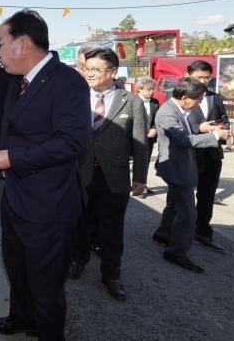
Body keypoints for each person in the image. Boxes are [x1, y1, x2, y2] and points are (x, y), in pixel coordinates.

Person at [0, 9, 90, 340]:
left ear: (23, 44)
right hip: (15, 199)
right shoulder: (18, 79)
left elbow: (73, 142)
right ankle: (21, 318)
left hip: (47, 205)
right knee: (18, 269)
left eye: (2, 43)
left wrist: (13, 158)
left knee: (45, 285)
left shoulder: (67, 82)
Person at [69, 48, 148, 301]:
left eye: (95, 69)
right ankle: (77, 261)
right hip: (80, 174)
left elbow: (140, 143)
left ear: (112, 72)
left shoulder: (131, 101)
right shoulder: (76, 97)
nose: (88, 74)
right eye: (86, 69)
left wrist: (140, 178)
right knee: (78, 223)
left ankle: (111, 274)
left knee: (111, 229)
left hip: (114, 177)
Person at [152, 77, 229, 273]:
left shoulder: (182, 109)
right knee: (188, 214)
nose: (200, 103)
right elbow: (182, 139)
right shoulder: (166, 113)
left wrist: (205, 128)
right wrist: (214, 137)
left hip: (183, 166)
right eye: (199, 99)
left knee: (174, 205)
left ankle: (163, 234)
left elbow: (189, 129)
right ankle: (177, 252)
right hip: (176, 168)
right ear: (185, 98)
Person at [185, 60, 228, 253]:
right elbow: (175, 125)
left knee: (207, 195)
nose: (203, 81)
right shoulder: (180, 96)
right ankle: (171, 232)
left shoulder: (216, 98)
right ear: (188, 75)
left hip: (211, 154)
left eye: (206, 77)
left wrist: (221, 128)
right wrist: (201, 129)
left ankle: (202, 232)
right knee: (180, 196)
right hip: (188, 154)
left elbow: (224, 120)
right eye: (198, 77)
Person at [136, 77, 159, 197]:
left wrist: (155, 129)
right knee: (138, 161)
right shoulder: (132, 100)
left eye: (152, 89)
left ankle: (143, 184)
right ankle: (137, 185)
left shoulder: (155, 102)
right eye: (149, 89)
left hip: (150, 137)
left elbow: (157, 119)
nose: (151, 92)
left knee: (146, 161)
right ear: (140, 89)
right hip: (135, 137)